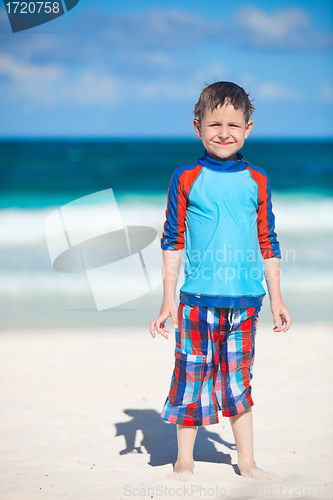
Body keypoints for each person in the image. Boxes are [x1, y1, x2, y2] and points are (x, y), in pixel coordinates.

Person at [150, 81, 291, 480]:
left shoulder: (257, 180)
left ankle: (246, 460)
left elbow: (268, 241)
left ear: (248, 127)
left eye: (233, 124)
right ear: (198, 127)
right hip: (195, 300)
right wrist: (167, 302)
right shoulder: (186, 177)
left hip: (247, 300)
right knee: (191, 374)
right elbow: (172, 239)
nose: (224, 132)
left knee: (238, 379)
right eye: (214, 124)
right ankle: (185, 459)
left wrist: (277, 298)